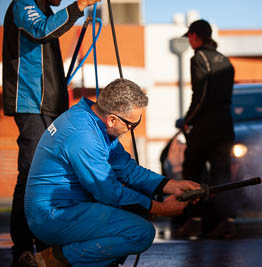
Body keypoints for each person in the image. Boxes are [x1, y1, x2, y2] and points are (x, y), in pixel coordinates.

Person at [24, 78, 199, 266]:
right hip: (52, 215)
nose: (130, 130)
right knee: (141, 232)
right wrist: (161, 208)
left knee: (134, 214)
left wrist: (170, 185)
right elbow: (109, 193)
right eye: (131, 125)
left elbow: (127, 169)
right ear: (113, 119)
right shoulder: (84, 136)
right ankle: (49, 261)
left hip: (67, 208)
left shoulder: (94, 121)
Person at [2, 0, 100, 265]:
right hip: (31, 103)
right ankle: (23, 246)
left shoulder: (47, 10)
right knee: (31, 172)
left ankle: (46, 242)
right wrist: (78, 7)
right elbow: (41, 30)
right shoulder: (24, 4)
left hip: (51, 105)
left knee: (52, 175)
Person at [175, 19, 236, 239]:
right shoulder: (225, 60)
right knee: (223, 174)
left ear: (194, 36)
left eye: (190, 37)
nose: (189, 41)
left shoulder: (199, 58)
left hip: (205, 126)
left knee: (192, 172)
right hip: (225, 124)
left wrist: (187, 120)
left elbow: (200, 95)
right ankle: (227, 223)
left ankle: (195, 221)